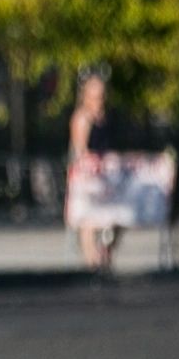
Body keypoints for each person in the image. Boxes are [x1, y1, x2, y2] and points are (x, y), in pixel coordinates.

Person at [68, 72, 115, 272]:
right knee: (89, 220)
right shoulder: (82, 118)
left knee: (118, 218)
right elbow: (80, 151)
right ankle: (91, 265)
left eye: (102, 96)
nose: (99, 101)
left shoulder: (107, 118)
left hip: (106, 178)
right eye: (96, 96)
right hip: (87, 179)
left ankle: (104, 259)